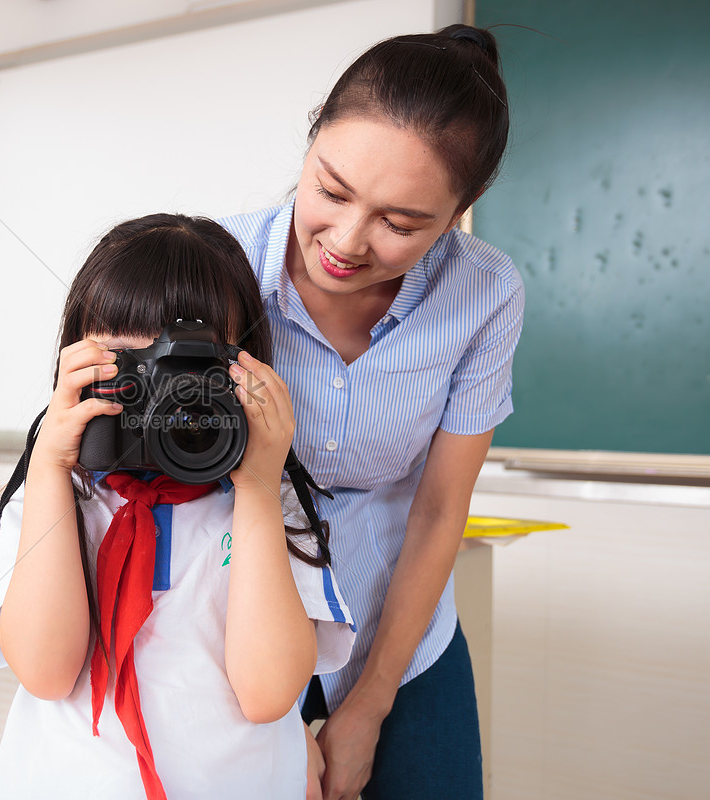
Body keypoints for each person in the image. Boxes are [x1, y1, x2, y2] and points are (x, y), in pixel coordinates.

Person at [219, 23, 523, 800]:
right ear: (313, 136)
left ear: (464, 207)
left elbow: (438, 510)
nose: (346, 242)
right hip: (230, 621)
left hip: (398, 634)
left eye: (401, 222)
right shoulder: (216, 264)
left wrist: (369, 705)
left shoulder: (485, 294)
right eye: (331, 189)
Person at [0, 213, 357, 799]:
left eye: (190, 369)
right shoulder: (58, 494)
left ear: (246, 369)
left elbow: (269, 692)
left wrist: (257, 486)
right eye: (130, 368)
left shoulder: (268, 500)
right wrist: (51, 467)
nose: (163, 395)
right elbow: (47, 673)